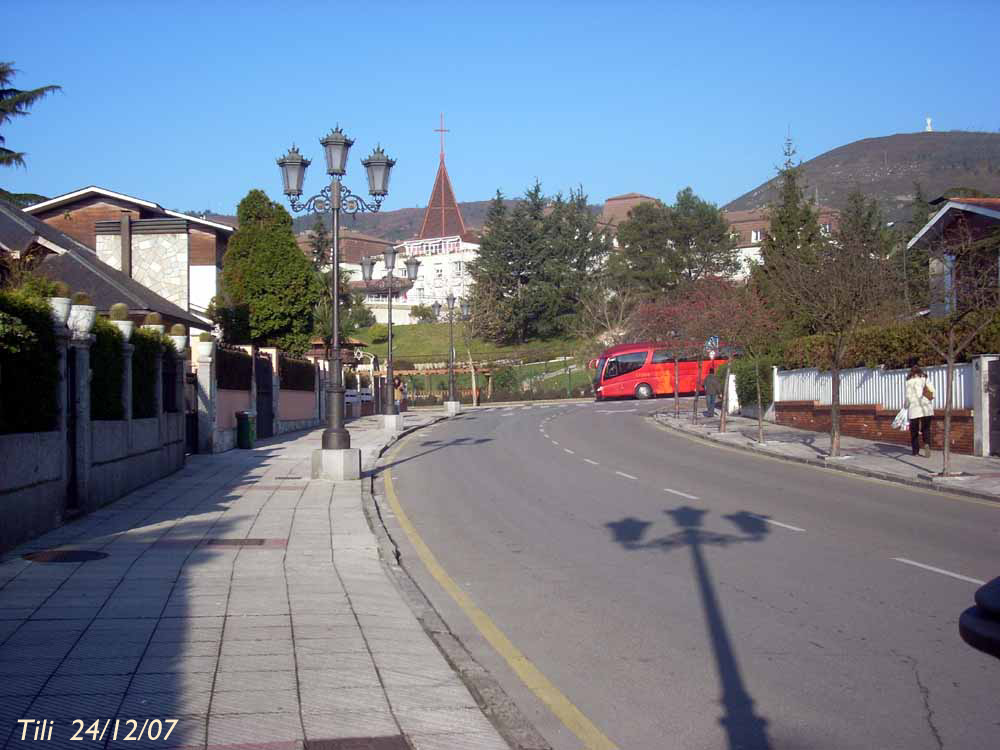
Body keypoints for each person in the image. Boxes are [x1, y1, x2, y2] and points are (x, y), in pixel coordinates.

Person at [905, 364, 935, 457]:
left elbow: (908, 396)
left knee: (914, 430)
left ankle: (915, 451)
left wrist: (905, 406)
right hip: (926, 408)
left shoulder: (909, 382)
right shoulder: (925, 379)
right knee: (926, 429)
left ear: (911, 373)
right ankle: (927, 444)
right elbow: (933, 392)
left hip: (914, 408)